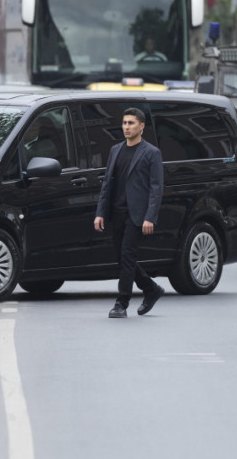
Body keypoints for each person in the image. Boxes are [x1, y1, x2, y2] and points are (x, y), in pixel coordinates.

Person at [94, 107, 165, 318]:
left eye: (131, 123)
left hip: (137, 215)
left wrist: (149, 217)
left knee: (127, 255)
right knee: (122, 258)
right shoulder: (116, 150)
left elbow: (156, 188)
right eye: (124, 123)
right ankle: (151, 289)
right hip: (117, 213)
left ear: (141, 127)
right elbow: (107, 184)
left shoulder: (151, 153)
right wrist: (100, 213)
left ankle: (121, 303)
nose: (126, 127)